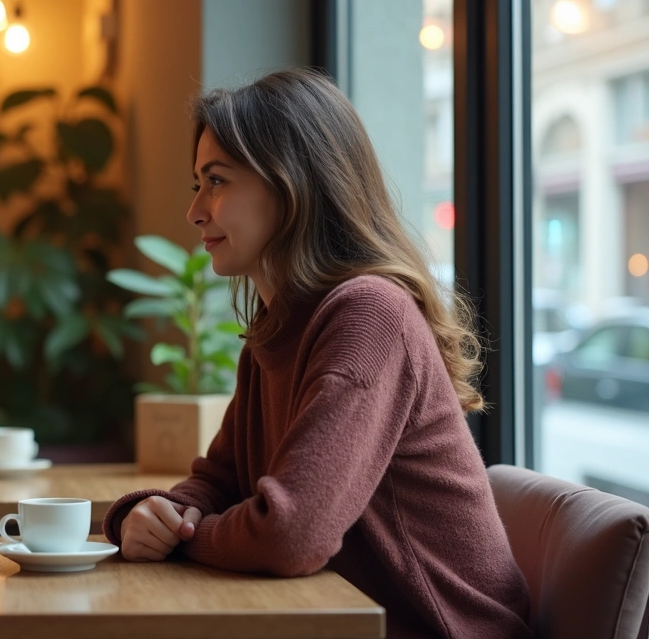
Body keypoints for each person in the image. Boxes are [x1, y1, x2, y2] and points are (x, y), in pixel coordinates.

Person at [103, 69, 533, 638]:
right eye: (197, 185)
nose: (196, 211)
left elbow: (290, 535)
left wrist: (186, 539)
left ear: (291, 185)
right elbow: (221, 479)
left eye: (217, 181)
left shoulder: (369, 315)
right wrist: (152, 513)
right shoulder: (277, 326)